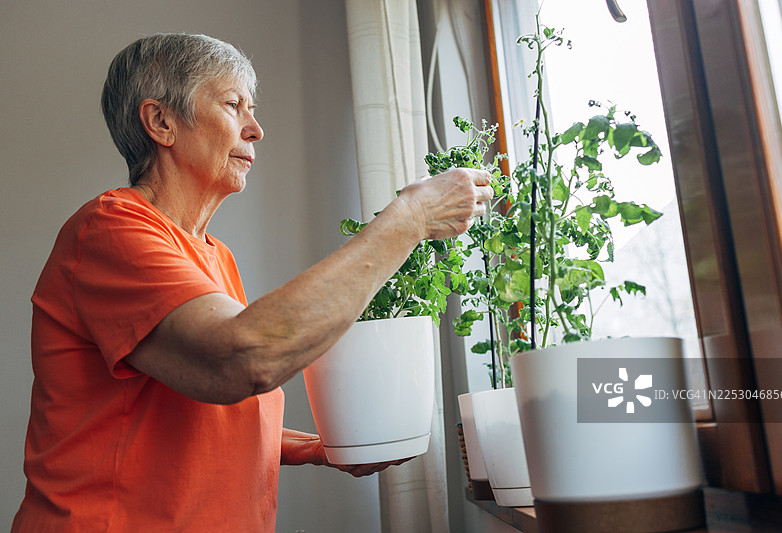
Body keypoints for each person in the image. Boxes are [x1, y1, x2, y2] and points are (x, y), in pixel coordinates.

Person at [11, 33, 492, 532]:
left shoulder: (216, 256)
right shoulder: (112, 230)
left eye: (252, 109)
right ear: (161, 122)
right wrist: (410, 218)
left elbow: (193, 401)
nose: (256, 129)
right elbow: (243, 358)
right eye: (233, 105)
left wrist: (311, 447)